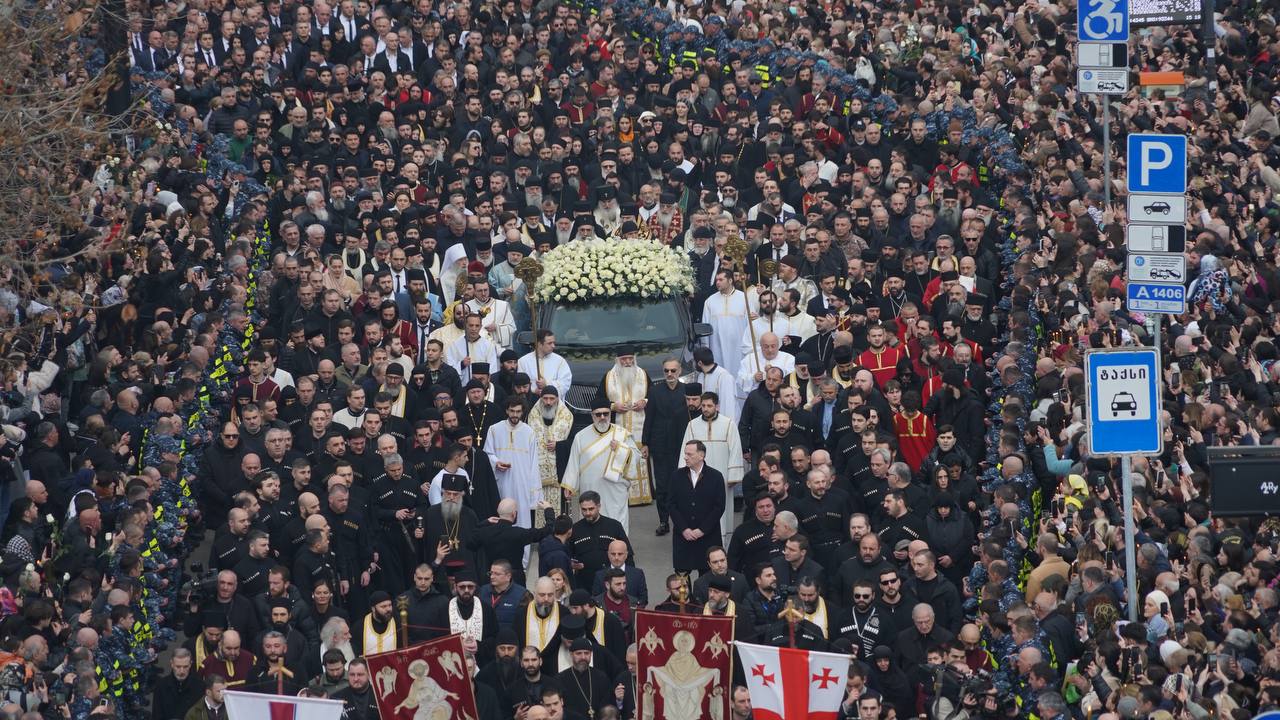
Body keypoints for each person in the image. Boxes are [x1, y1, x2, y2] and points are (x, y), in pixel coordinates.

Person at [562, 398, 640, 534]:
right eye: (598, 414)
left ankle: (618, 552)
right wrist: (570, 485)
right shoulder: (580, 436)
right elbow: (574, 462)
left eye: (606, 414)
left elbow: (637, 457)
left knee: (615, 523)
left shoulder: (622, 434)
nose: (602, 417)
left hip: (615, 490)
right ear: (592, 415)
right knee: (590, 523)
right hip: (590, 488)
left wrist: (621, 449)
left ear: (610, 414)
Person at [679, 392, 744, 544]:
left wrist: (733, 475)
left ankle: (723, 546)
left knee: (721, 509)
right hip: (698, 476)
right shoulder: (692, 425)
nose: (706, 409)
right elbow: (686, 449)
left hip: (722, 477)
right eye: (703, 406)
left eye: (709, 406)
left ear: (717, 406)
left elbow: (735, 449)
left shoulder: (728, 424)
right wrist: (684, 473)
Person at [599, 348, 651, 507]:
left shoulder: (643, 374)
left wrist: (645, 401)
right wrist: (613, 406)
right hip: (618, 427)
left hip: (640, 428)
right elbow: (598, 401)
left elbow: (653, 396)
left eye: (630, 358)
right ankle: (622, 495)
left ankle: (643, 495)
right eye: (624, 359)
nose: (628, 362)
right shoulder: (609, 377)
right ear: (617, 360)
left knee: (639, 458)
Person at [668, 440, 727, 576]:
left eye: (690, 454)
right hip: (683, 536)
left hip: (708, 536)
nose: (685, 457)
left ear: (701, 455)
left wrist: (702, 530)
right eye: (685, 454)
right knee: (682, 580)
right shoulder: (676, 476)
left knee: (707, 577)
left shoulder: (716, 477)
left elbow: (719, 507)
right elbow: (671, 504)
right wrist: (684, 528)